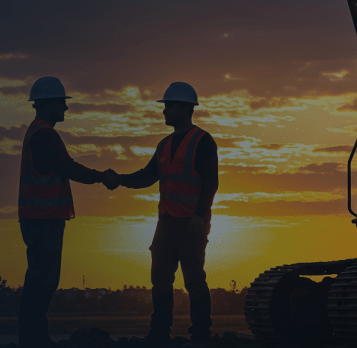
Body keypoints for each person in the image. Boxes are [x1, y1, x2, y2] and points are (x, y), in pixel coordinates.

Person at [17, 76, 120, 348]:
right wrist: (102, 176)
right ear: (47, 103)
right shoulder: (44, 135)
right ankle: (33, 338)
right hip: (43, 221)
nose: (66, 108)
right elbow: (69, 168)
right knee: (42, 281)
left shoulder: (37, 132)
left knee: (42, 280)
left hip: (41, 219)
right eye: (61, 103)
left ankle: (35, 337)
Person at [117, 82, 218, 347]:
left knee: (194, 280)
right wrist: (119, 179)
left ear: (185, 109)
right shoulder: (164, 146)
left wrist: (200, 216)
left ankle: (201, 335)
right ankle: (159, 334)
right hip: (166, 223)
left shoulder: (203, 141)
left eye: (169, 106)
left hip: (191, 225)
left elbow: (210, 182)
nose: (164, 111)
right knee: (160, 279)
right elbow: (147, 176)